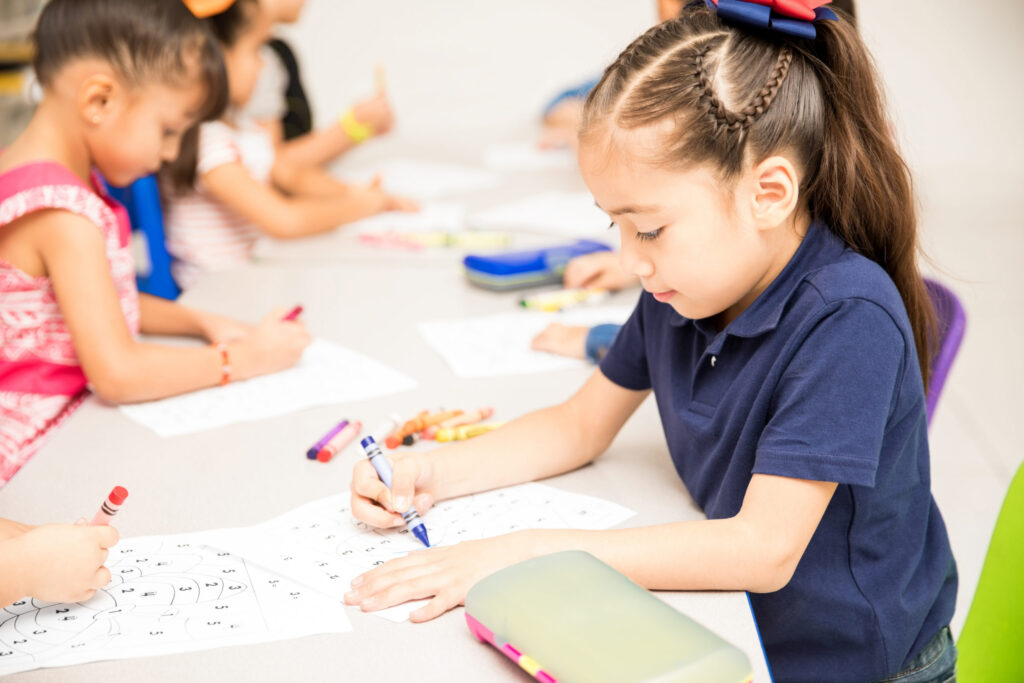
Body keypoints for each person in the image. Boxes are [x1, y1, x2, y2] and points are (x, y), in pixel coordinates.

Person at [345, 3, 957, 681]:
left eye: (651, 227)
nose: (632, 259)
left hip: (857, 665)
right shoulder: (681, 287)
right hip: (741, 630)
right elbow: (579, 425)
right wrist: (431, 471)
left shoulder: (848, 317)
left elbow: (762, 548)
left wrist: (526, 552)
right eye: (617, 225)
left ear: (769, 192)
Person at [0, 0, 310, 485]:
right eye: (169, 131)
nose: (169, 153)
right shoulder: (62, 212)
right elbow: (118, 373)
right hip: (37, 464)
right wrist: (245, 360)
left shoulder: (34, 177)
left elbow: (95, 303)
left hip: (69, 441)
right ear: (98, 100)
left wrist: (199, 319)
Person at [160, 0, 415, 289]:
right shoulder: (208, 145)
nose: (265, 64)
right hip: (219, 290)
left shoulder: (245, 132)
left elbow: (291, 174)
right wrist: (359, 206)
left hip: (257, 275)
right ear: (213, 57)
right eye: (256, 51)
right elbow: (283, 221)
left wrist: (360, 193)